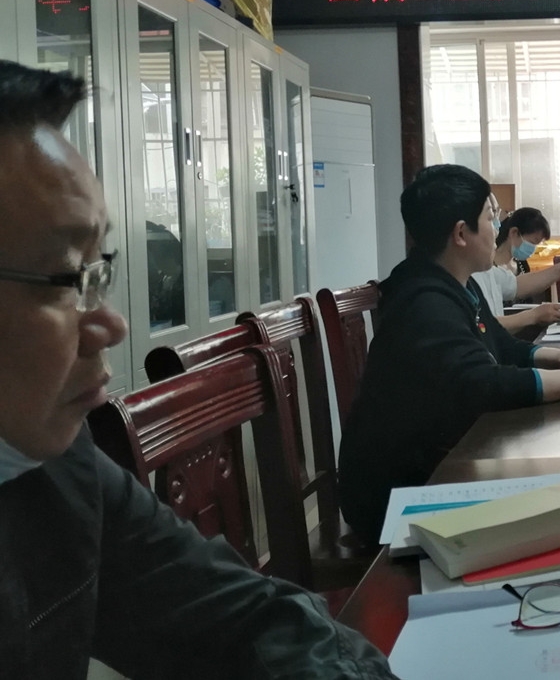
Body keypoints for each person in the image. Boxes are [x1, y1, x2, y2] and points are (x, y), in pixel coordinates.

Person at [0, 61, 394, 678]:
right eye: (65, 276)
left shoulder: (52, 465)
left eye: (97, 271)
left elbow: (242, 620)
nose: (110, 325)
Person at [338, 164, 560, 544]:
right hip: (403, 491)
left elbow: (499, 344)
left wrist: (557, 356)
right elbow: (481, 385)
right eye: (491, 217)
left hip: (446, 458)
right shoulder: (422, 302)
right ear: (462, 233)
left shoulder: (455, 283)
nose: (497, 229)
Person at [473, 202, 560, 332]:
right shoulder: (466, 278)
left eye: (497, 215)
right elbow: (482, 326)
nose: (498, 226)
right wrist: (534, 315)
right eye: (491, 217)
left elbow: (517, 284)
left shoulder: (489, 271)